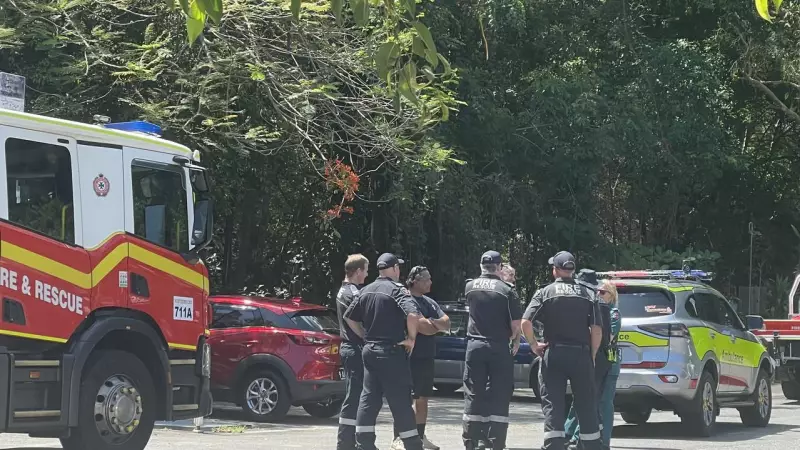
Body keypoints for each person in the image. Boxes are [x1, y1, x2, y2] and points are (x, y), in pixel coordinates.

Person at [344, 253, 433, 450]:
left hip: (369, 350)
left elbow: (349, 317)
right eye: (398, 267)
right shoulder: (397, 289)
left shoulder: (366, 290)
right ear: (393, 268)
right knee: (401, 400)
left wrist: (364, 336)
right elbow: (412, 314)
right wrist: (411, 339)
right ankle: (412, 444)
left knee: (368, 398)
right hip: (390, 352)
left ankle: (364, 443)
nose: (399, 271)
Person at [521, 251, 603, 450]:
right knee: (586, 402)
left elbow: (525, 322)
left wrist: (534, 345)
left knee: (553, 402)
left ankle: (554, 445)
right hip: (581, 354)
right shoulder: (588, 293)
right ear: (572, 270)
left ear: (555, 270)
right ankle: (591, 445)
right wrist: (592, 355)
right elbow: (597, 329)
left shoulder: (545, 292)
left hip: (554, 354)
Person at [461, 251, 522, 450]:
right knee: (499, 394)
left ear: (481, 266)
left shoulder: (470, 286)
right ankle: (496, 442)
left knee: (473, 393)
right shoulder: (507, 290)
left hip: (474, 346)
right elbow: (516, 325)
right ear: (499, 267)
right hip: (498, 347)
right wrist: (514, 340)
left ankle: (471, 440)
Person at [391, 266, 451, 450]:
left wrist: (431, 322)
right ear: (415, 281)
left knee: (423, 398)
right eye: (426, 279)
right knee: (405, 398)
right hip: (408, 356)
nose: (430, 282)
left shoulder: (429, 302)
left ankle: (420, 436)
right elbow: (422, 327)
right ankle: (399, 437)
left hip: (426, 356)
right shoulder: (405, 300)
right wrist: (433, 325)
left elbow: (447, 323)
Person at [564, 270, 613, 450]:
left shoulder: (589, 303)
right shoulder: (599, 304)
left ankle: (585, 441)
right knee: (588, 399)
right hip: (595, 358)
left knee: (588, 400)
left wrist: (590, 355)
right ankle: (585, 440)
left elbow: (598, 333)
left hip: (592, 357)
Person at [336, 254, 370, 450]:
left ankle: (349, 442)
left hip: (351, 348)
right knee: (354, 396)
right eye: (365, 270)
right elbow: (352, 318)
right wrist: (365, 336)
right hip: (353, 348)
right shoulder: (352, 292)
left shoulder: (345, 290)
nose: (367, 274)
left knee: (356, 395)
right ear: (358, 271)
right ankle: (345, 443)